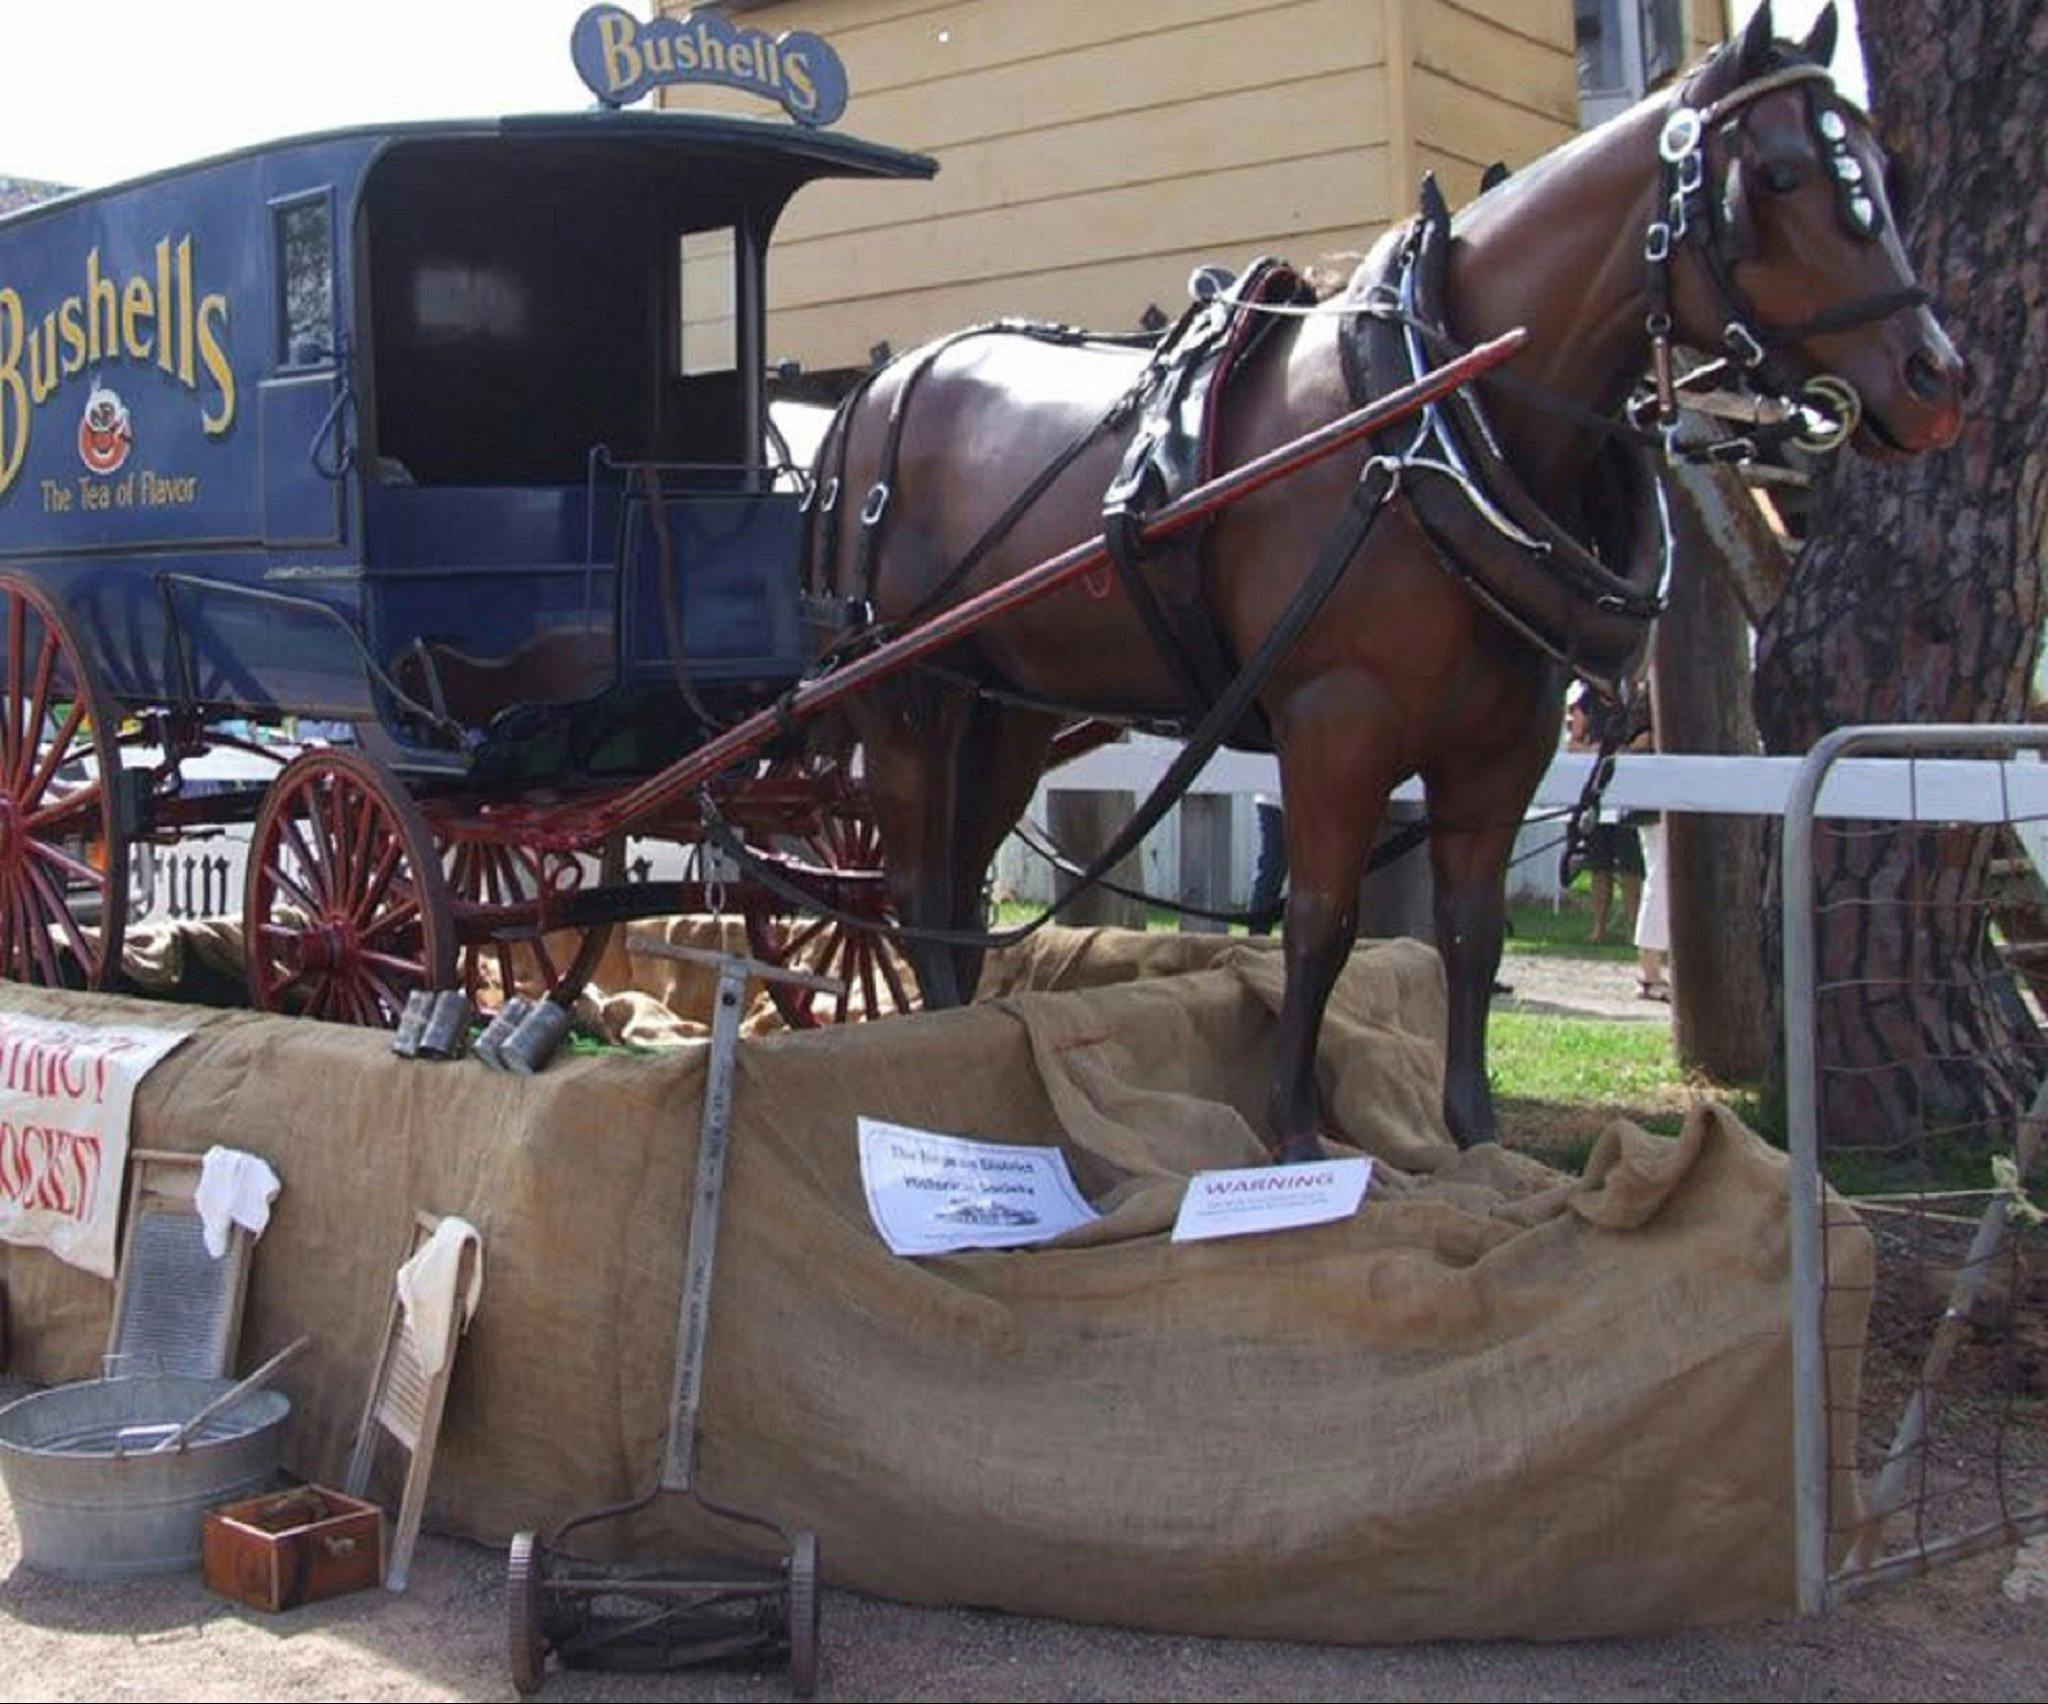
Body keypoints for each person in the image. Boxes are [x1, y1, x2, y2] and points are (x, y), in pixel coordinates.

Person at [1564, 687, 1642, 946]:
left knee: (1631, 867)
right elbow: (1574, 742)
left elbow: (1643, 741)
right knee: (1599, 866)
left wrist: (1612, 751)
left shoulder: (1635, 700)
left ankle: (1634, 929)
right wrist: (1594, 751)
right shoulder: (1586, 702)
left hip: (1629, 792)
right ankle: (1598, 927)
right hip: (1595, 793)